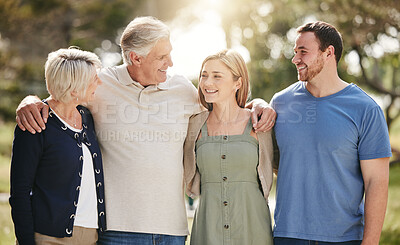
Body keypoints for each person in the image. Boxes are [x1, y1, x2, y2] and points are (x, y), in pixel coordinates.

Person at [15, 16, 276, 245]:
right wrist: (31, 101)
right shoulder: (101, 84)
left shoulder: (183, 90)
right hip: (117, 230)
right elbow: (63, 96)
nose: (170, 63)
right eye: (162, 57)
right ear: (135, 58)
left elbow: (224, 105)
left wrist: (259, 105)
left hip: (172, 231)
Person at [270, 21, 392, 245]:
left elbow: (377, 181)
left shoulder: (365, 109)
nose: (295, 59)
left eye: (303, 52)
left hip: (343, 238)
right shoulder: (280, 103)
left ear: (328, 53)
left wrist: (371, 242)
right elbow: (274, 162)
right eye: (295, 52)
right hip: (288, 235)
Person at [9, 47, 106, 245]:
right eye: (94, 79)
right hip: (48, 238)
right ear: (74, 89)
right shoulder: (36, 125)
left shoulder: (87, 118)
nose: (100, 83)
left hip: (91, 236)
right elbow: (20, 192)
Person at [183, 50, 274, 245]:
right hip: (208, 229)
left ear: (238, 83)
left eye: (217, 76)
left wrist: (260, 103)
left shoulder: (260, 124)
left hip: (253, 228)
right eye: (204, 76)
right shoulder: (193, 125)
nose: (207, 83)